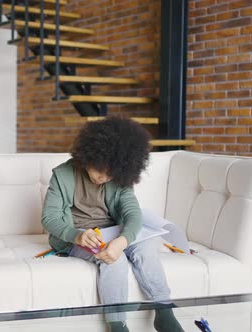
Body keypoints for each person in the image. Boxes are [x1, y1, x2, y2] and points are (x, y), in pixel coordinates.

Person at [41, 117, 184, 332]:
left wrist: (123, 240)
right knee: (113, 260)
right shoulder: (62, 175)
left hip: (113, 232)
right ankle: (117, 325)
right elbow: (49, 218)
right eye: (100, 169)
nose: (103, 177)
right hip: (76, 236)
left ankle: (164, 311)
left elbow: (134, 215)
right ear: (88, 154)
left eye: (111, 173)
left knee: (146, 247)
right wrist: (76, 235)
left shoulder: (118, 179)